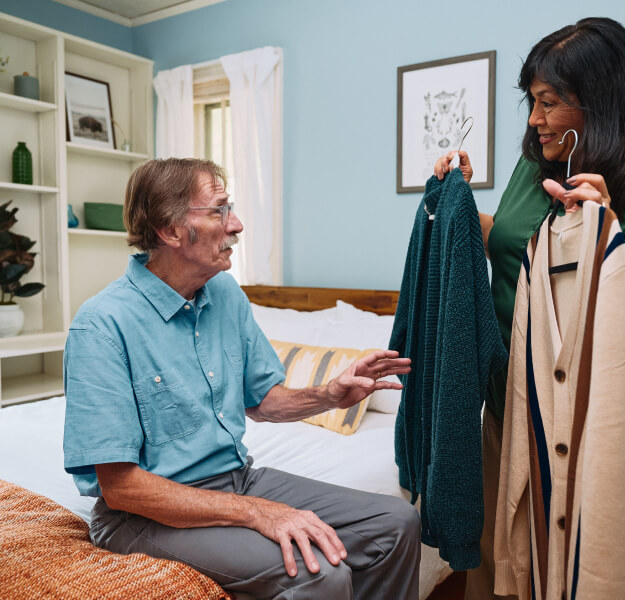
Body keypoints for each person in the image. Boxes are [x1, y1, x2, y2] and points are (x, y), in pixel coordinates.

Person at [62, 158, 421, 600]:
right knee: (318, 573)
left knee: (398, 523)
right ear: (170, 230)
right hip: (143, 515)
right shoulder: (101, 325)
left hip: (236, 477)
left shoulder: (226, 294)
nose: (237, 224)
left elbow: (263, 400)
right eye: (218, 210)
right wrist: (256, 513)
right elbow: (120, 488)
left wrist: (330, 394)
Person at [434, 17, 625, 599]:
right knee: (491, 563)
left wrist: (596, 236)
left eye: (549, 103)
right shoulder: (537, 168)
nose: (534, 120)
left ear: (602, 104)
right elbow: (510, 241)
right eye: (533, 101)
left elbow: (612, 332)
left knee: (562, 568)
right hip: (501, 399)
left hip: (571, 422)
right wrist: (455, 206)